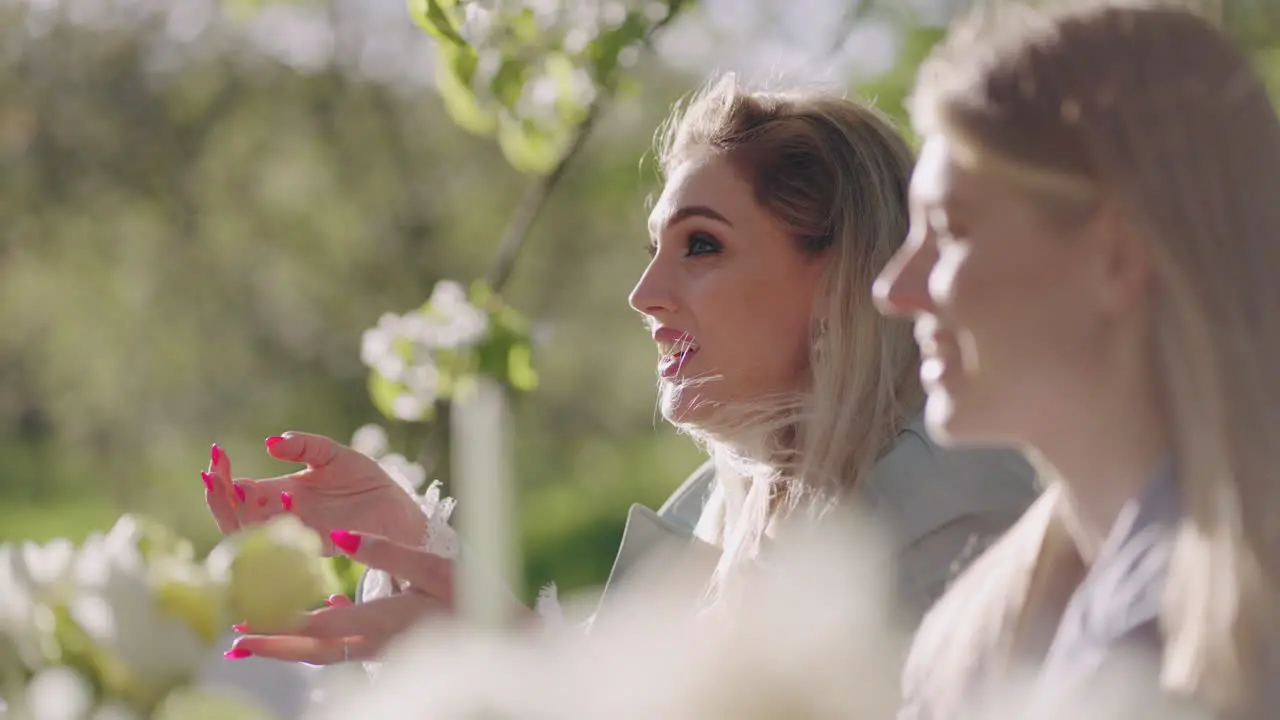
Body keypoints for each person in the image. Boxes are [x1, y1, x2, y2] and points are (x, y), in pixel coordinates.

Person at [207, 75, 1038, 665]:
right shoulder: (718, 507)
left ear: (841, 274)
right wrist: (402, 541)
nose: (644, 294)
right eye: (655, 251)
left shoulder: (958, 500)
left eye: (701, 246)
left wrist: (515, 650)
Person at [874, 3, 1280, 718]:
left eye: (951, 229)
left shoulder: (1237, 636)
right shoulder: (993, 628)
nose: (894, 289)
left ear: (1118, 255)